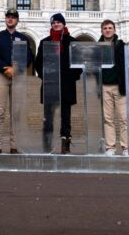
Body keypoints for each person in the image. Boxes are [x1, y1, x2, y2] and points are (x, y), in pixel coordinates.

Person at [0, 8, 34, 154]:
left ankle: (14, 145)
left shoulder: (23, 38)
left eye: (13, 17)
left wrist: (16, 68)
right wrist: (4, 68)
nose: (10, 19)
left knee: (16, 112)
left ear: (17, 20)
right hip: (2, 76)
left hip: (18, 76)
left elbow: (28, 56)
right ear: (5, 19)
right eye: (8, 17)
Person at [33, 13, 80, 154]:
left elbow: (78, 63)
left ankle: (65, 144)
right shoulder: (44, 42)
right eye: (54, 23)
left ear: (64, 24)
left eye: (59, 22)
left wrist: (72, 77)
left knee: (66, 117)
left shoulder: (72, 41)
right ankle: (47, 144)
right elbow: (38, 63)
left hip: (67, 84)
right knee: (48, 117)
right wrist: (45, 76)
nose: (56, 24)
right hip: (50, 83)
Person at [99, 20, 128, 156]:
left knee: (123, 118)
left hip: (119, 86)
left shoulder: (122, 46)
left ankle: (125, 147)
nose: (108, 30)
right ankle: (110, 147)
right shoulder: (98, 47)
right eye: (105, 28)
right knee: (108, 119)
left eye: (110, 28)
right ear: (102, 31)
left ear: (114, 30)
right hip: (104, 86)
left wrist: (126, 81)